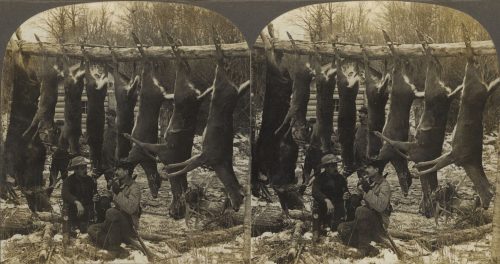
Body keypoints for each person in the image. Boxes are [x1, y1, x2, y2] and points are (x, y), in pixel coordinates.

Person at [337, 160, 392, 257]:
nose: (366, 170)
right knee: (342, 228)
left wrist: (368, 191)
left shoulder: (384, 185)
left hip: (379, 223)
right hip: (364, 222)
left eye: (369, 167)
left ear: (376, 170)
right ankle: (371, 249)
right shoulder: (367, 181)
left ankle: (363, 250)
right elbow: (359, 197)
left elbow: (380, 207)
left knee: (361, 210)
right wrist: (350, 198)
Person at [88, 160, 141, 255]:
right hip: (114, 222)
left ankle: (114, 248)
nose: (116, 172)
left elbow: (131, 208)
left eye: (119, 169)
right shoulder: (117, 183)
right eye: (116, 169)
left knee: (111, 212)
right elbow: (110, 196)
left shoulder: (134, 188)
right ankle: (113, 244)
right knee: (91, 229)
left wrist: (117, 193)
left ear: (126, 171)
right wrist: (102, 199)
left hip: (128, 225)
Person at [311, 154, 350, 242]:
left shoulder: (341, 178)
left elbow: (346, 191)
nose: (335, 168)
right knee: (316, 205)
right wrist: (326, 200)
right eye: (332, 166)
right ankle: (316, 230)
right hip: (323, 206)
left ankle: (335, 226)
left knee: (335, 227)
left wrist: (346, 195)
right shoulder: (319, 179)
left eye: (335, 165)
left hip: (337, 206)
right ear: (326, 168)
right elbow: (315, 192)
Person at [61, 156, 97, 235]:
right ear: (76, 170)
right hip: (73, 210)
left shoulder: (90, 180)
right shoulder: (69, 180)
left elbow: (92, 195)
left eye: (85, 168)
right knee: (66, 207)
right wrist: (77, 202)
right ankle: (70, 227)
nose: (85, 171)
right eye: (82, 168)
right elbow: (65, 194)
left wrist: (95, 198)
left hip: (85, 210)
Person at [47, 120, 69, 196]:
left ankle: (66, 195)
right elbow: (50, 145)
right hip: (56, 158)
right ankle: (48, 195)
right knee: (52, 178)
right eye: (58, 126)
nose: (59, 128)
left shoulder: (66, 135)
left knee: (65, 178)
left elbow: (70, 146)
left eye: (60, 126)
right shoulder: (54, 134)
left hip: (64, 159)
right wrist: (52, 148)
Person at [353, 106, 369, 178]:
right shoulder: (358, 126)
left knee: (366, 169)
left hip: (365, 153)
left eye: (361, 113)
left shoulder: (369, 126)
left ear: (366, 115)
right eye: (359, 113)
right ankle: (361, 182)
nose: (359, 115)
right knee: (359, 169)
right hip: (357, 152)